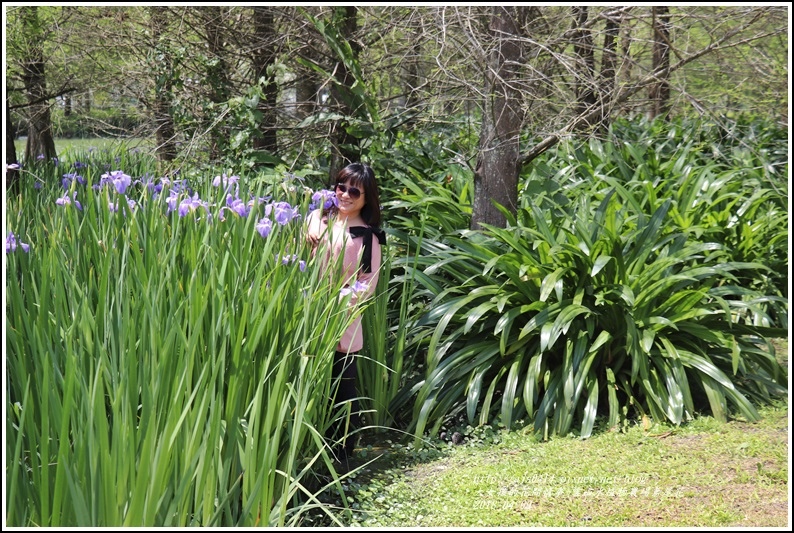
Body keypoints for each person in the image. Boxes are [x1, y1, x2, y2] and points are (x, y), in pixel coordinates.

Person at [305, 162, 386, 464]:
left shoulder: (368, 237)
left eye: (355, 191)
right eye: (341, 187)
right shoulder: (318, 218)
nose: (346, 195)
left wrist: (339, 303)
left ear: (367, 198)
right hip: (308, 318)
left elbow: (368, 283)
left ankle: (341, 455)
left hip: (343, 322)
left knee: (342, 390)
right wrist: (311, 227)